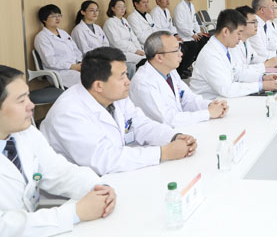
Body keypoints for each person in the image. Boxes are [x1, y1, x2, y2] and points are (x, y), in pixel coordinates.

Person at [0, 65, 117, 237]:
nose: (31, 105)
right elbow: (4, 228)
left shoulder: (25, 133)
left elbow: (60, 172)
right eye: (21, 101)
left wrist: (98, 188)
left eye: (28, 96)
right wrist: (74, 213)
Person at [40, 47, 196, 175]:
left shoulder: (115, 95)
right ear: (99, 85)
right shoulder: (69, 113)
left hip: (116, 172)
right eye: (122, 77)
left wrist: (173, 137)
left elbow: (141, 124)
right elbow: (104, 160)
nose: (128, 81)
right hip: (81, 189)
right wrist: (163, 153)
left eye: (126, 74)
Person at [130, 31, 228, 127]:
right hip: (159, 135)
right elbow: (167, 119)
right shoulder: (143, 82)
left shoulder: (170, 71)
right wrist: (208, 113)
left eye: (179, 48)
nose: (181, 53)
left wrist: (210, 105)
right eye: (175, 50)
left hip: (178, 129)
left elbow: (188, 99)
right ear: (159, 58)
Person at [190, 9, 277, 99]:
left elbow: (237, 72)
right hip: (210, 103)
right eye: (238, 33)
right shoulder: (210, 55)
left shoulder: (225, 49)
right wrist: (260, 86)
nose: (240, 38)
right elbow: (227, 89)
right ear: (225, 31)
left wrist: (261, 78)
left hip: (222, 99)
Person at [151, 0, 200, 78]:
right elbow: (158, 30)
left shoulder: (167, 11)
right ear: (158, 1)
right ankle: (179, 71)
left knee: (193, 45)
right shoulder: (155, 12)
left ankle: (183, 68)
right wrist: (171, 37)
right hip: (162, 39)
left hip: (170, 37)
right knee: (183, 48)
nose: (167, 0)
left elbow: (171, 26)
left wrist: (176, 35)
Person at [33, 4, 83, 88]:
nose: (58, 18)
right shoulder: (42, 37)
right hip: (59, 72)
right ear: (44, 19)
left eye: (59, 15)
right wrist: (72, 66)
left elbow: (75, 50)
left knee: (99, 73)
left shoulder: (63, 33)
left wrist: (79, 62)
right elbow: (50, 61)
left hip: (75, 67)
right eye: (53, 16)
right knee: (89, 79)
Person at [103, 0, 145, 65]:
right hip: (120, 52)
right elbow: (116, 43)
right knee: (144, 61)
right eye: (119, 7)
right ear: (112, 8)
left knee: (150, 58)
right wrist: (135, 51)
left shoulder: (124, 21)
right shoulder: (110, 23)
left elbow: (133, 37)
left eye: (124, 7)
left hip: (132, 50)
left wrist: (139, 49)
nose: (122, 9)